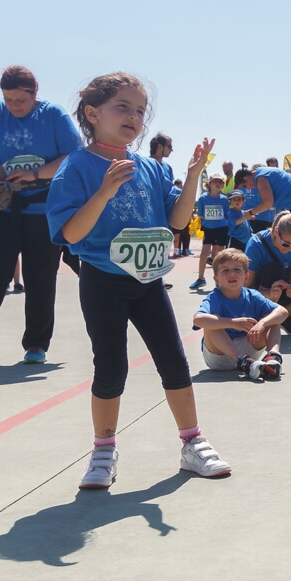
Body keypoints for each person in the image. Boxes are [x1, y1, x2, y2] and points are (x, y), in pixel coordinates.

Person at [46, 72, 230, 489]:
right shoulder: (76, 167)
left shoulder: (153, 169)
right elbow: (71, 235)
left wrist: (193, 176)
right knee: (110, 367)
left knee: (173, 361)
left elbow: (178, 221)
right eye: (122, 107)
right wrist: (103, 192)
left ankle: (192, 443)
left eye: (140, 110)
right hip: (103, 281)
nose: (133, 117)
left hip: (148, 282)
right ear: (92, 114)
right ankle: (103, 450)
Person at [0, 65, 81, 366]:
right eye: (8, 99)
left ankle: (37, 344)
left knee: (41, 277)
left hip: (42, 208)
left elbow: (73, 154)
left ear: (34, 93)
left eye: (20, 100)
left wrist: (37, 173)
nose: (14, 106)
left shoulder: (53, 115)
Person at [193, 248, 286, 382]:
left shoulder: (252, 295)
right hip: (219, 355)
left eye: (237, 270)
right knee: (212, 324)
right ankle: (243, 362)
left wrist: (262, 323)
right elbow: (198, 319)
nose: (232, 274)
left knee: (272, 319)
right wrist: (232, 322)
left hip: (249, 348)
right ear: (216, 279)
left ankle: (273, 358)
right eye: (225, 270)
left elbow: (283, 311)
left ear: (246, 276)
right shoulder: (214, 297)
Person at [190, 173, 229, 289]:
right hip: (209, 230)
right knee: (203, 254)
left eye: (220, 182)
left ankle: (219, 281)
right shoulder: (203, 198)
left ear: (222, 185)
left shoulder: (224, 200)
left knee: (220, 256)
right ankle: (200, 279)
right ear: (209, 184)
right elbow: (201, 215)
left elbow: (226, 215)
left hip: (222, 229)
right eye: (215, 182)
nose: (217, 184)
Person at [171, 178, 192, 258]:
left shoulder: (173, 192)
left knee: (181, 235)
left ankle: (180, 251)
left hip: (179, 216)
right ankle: (178, 251)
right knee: (179, 236)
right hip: (179, 216)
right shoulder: (180, 193)